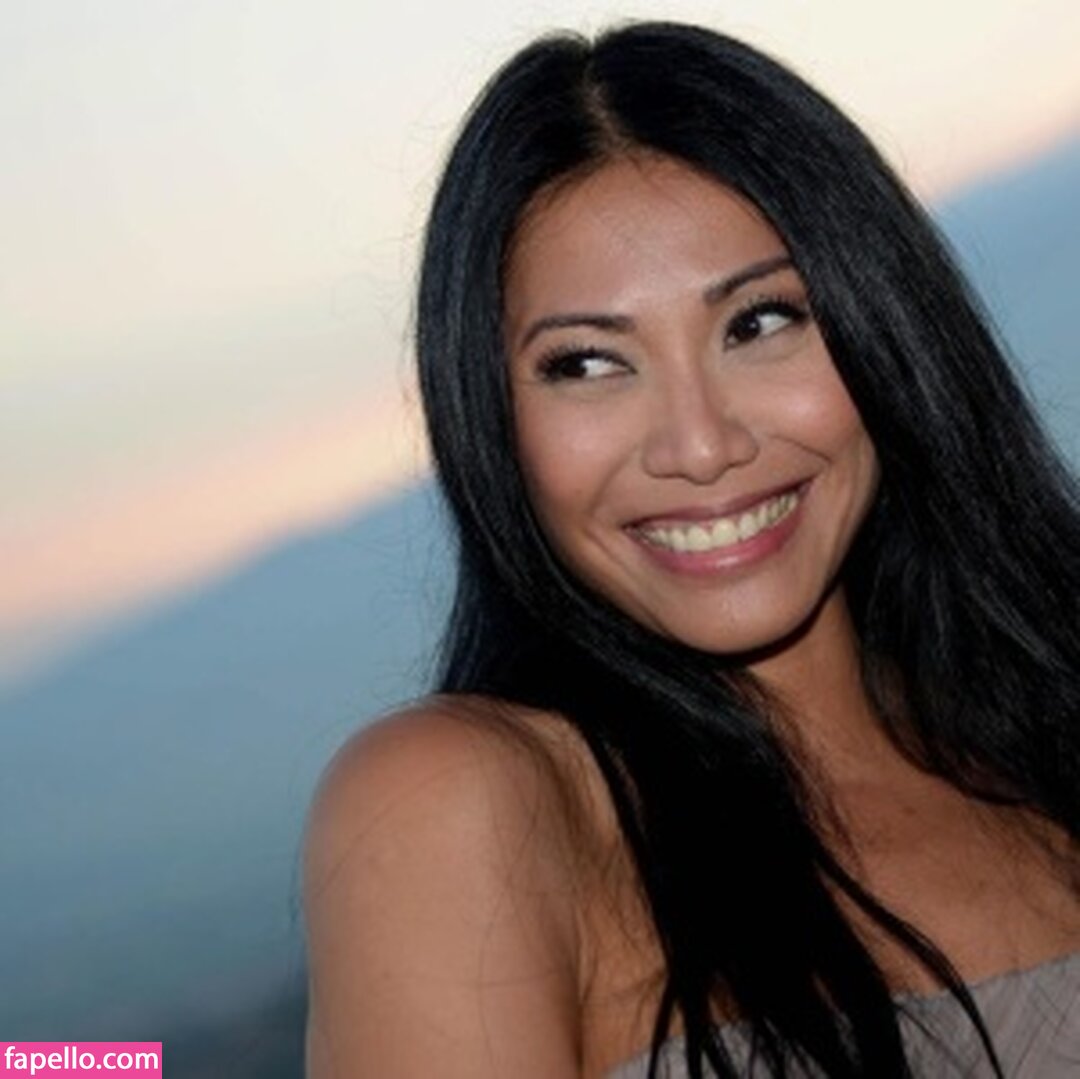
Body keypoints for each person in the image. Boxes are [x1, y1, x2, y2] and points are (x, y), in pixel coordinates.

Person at [303, 21, 1080, 1078]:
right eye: (586, 363)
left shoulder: (1050, 726)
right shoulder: (465, 809)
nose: (702, 446)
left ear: (885, 322)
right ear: (491, 423)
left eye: (759, 322)